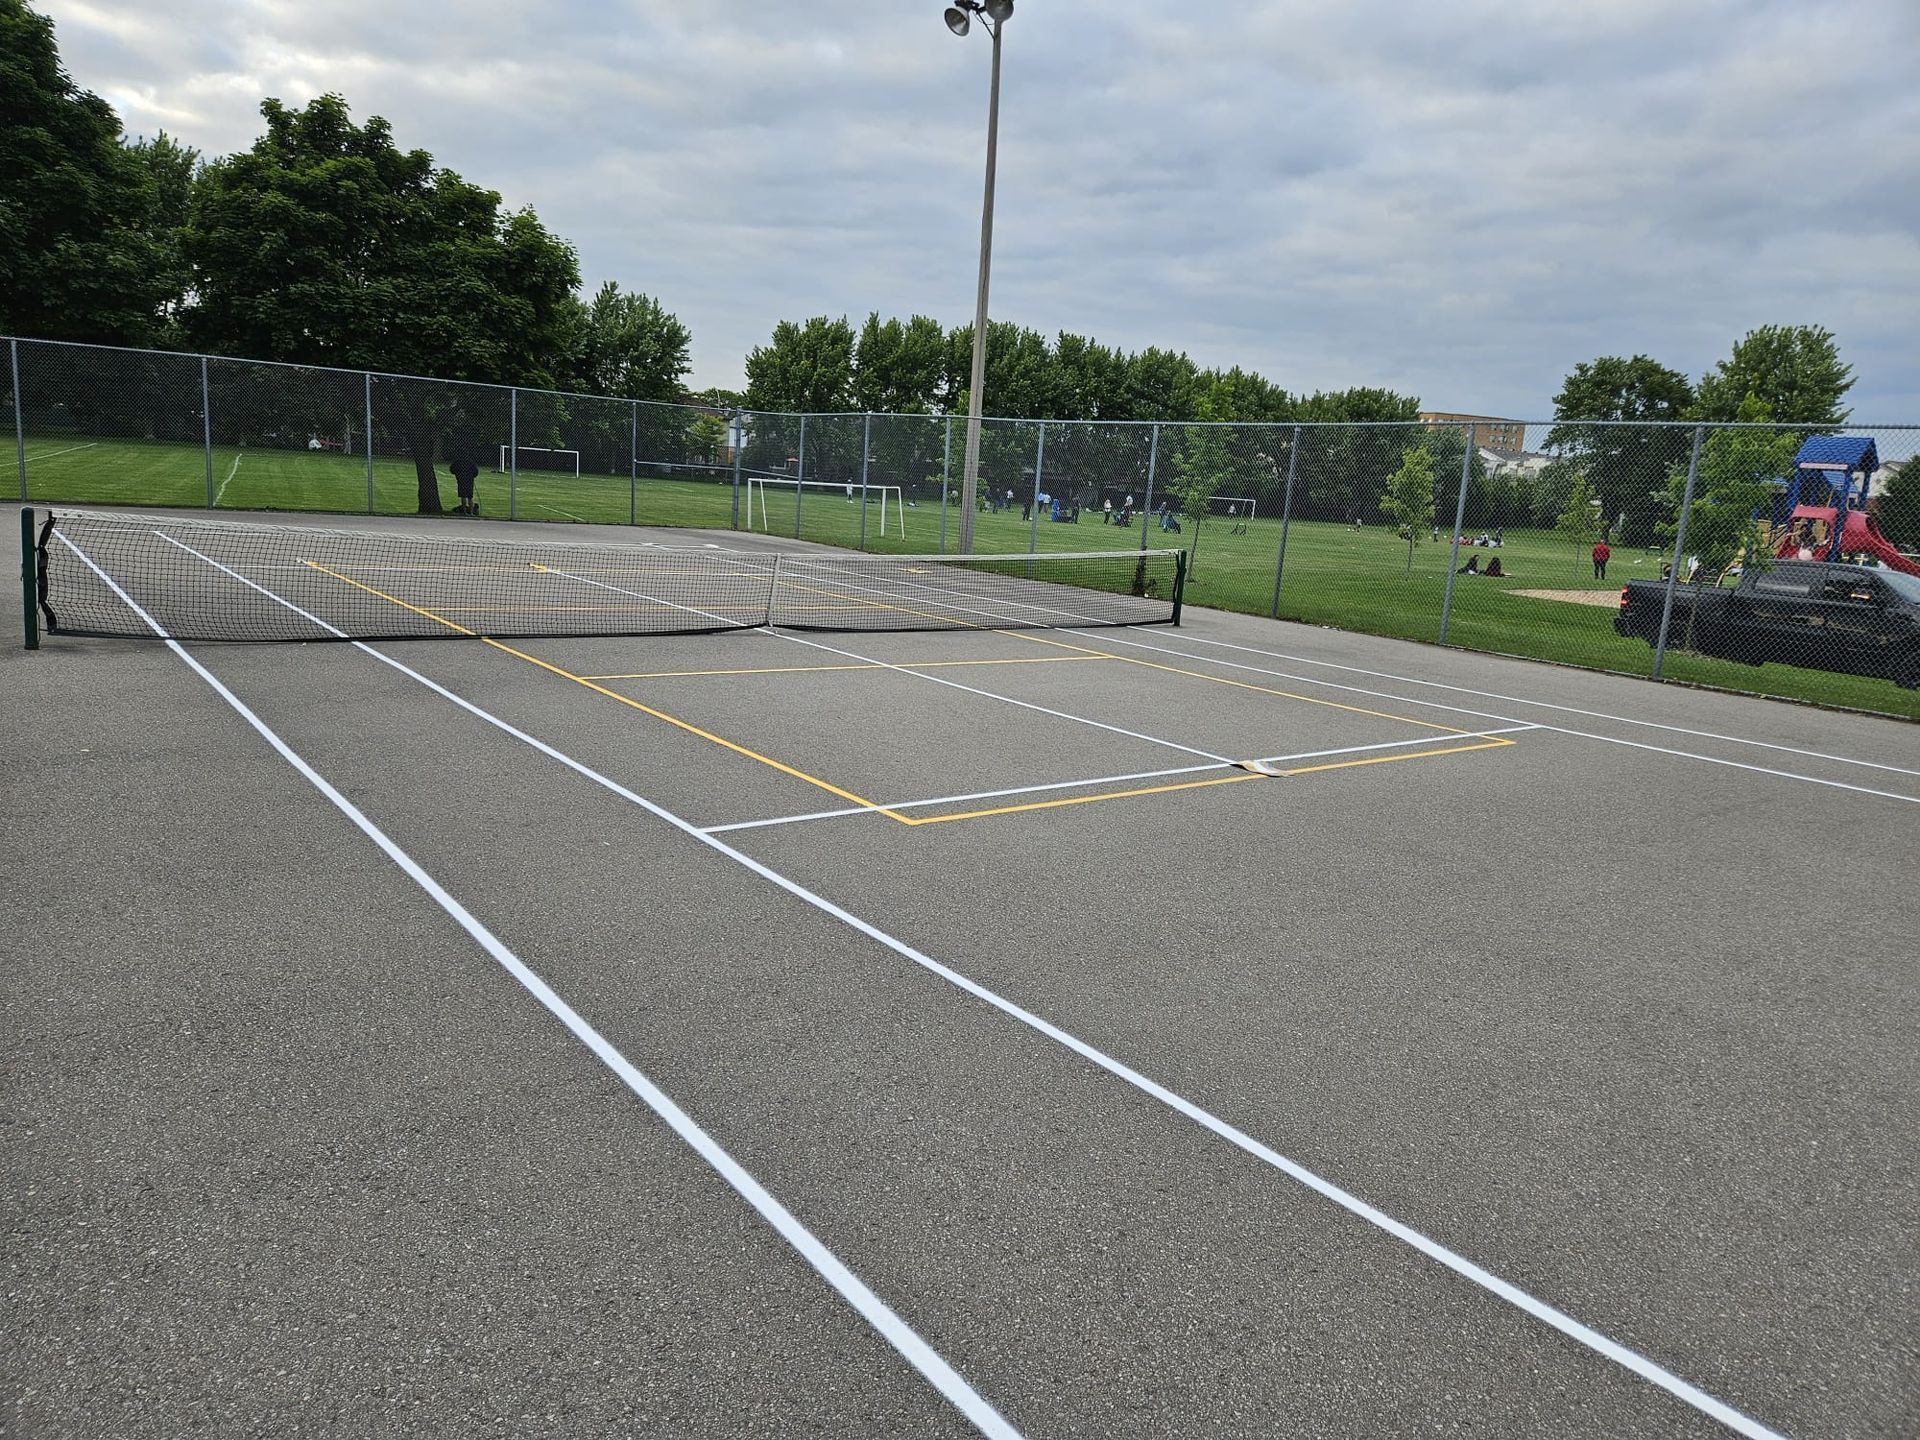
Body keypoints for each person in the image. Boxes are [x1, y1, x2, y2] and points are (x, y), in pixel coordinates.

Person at [448, 447, 480, 515]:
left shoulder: (457, 462)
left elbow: (452, 469)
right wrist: (472, 476)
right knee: (470, 497)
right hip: (469, 480)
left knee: (463, 496)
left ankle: (464, 512)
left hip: (461, 479)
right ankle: (471, 512)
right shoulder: (470, 462)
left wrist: (457, 474)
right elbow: (476, 471)